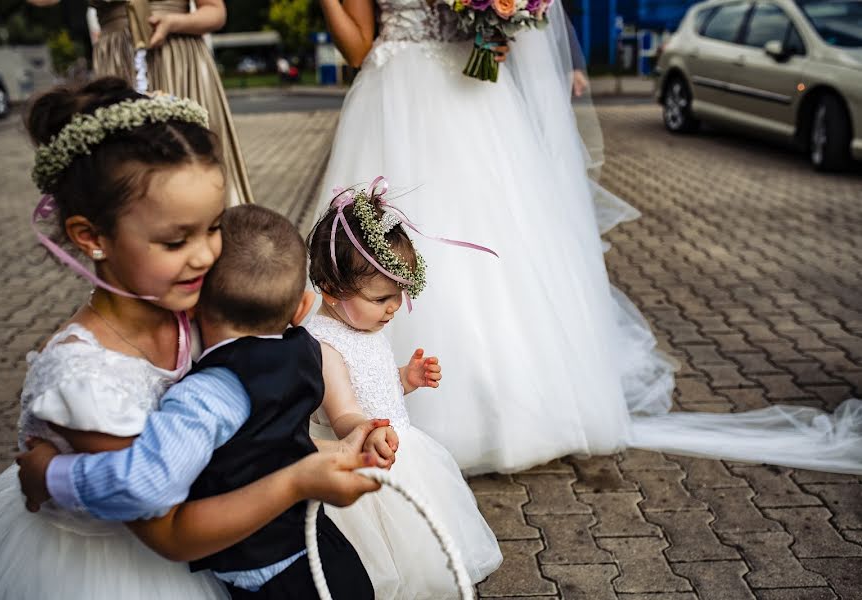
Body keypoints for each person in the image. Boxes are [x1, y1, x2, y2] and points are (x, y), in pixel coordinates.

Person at [315, 1, 862, 475]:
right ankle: (473, 407)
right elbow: (368, 46)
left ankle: (450, 411)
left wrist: (493, 31)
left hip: (447, 93)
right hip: (443, 97)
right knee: (482, 242)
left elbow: (360, 48)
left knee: (487, 241)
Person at [0, 77, 378, 600]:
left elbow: (241, 435)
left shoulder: (198, 309)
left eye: (212, 228)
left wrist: (326, 448)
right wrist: (299, 479)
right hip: (122, 566)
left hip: (233, 532)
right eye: (176, 240)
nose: (206, 256)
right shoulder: (87, 380)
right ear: (91, 237)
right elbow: (172, 535)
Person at [20, 203, 386, 598]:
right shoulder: (305, 351)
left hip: (272, 582)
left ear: (193, 306)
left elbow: (145, 482)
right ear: (300, 307)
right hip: (329, 555)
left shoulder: (205, 394)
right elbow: (265, 438)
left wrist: (51, 475)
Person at [304, 182, 503, 598]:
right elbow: (343, 413)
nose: (394, 307)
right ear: (333, 291)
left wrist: (404, 379)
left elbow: (372, 382)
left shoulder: (364, 323)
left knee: (424, 550)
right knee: (385, 562)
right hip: (366, 459)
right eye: (383, 297)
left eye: (399, 295)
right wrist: (368, 430)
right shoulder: (324, 343)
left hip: (398, 448)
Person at [28, 0, 255, 206]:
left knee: (193, 150)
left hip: (177, 57)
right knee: (122, 158)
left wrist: (174, 21)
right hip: (117, 59)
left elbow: (216, 12)